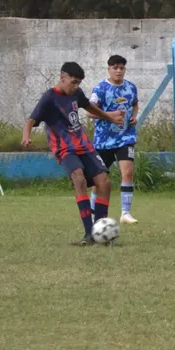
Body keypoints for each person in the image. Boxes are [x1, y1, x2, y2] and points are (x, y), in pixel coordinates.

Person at [21, 62, 125, 245]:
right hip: (64, 149)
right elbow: (31, 119)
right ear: (63, 78)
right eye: (74, 82)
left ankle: (100, 231)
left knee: (104, 182)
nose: (76, 86)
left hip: (84, 145)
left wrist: (109, 116)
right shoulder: (49, 97)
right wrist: (26, 135)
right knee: (79, 178)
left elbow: (89, 106)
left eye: (78, 83)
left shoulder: (76, 93)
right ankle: (89, 234)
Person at [89, 55, 140, 224]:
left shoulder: (131, 87)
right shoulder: (101, 89)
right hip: (104, 140)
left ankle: (125, 213)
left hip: (125, 137)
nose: (118, 71)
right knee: (99, 179)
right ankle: (92, 211)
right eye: (115, 68)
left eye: (122, 68)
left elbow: (134, 104)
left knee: (128, 171)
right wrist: (109, 116)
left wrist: (133, 116)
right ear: (109, 69)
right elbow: (90, 112)